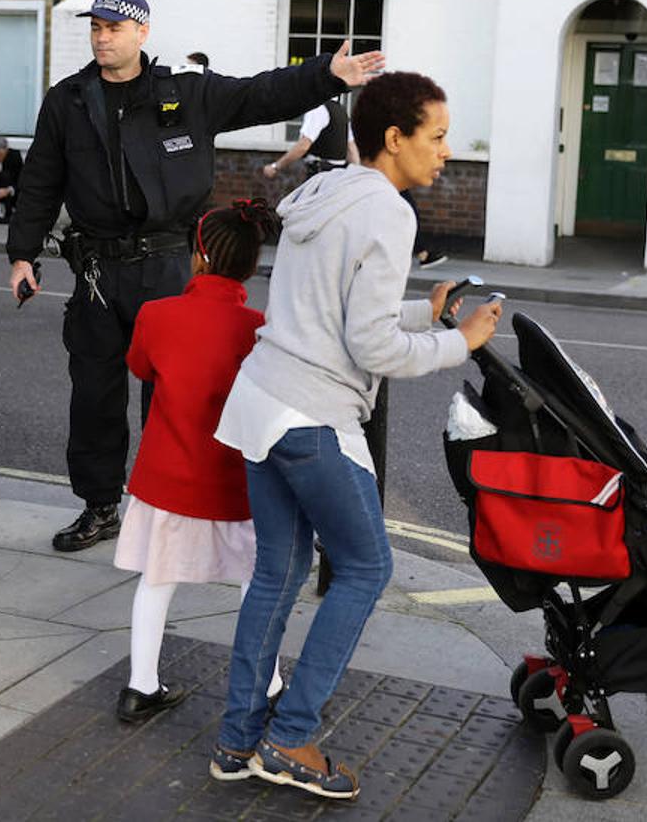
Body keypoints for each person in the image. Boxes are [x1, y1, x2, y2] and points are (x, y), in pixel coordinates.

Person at [6, 0, 384, 553]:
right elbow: (40, 180)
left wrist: (324, 75)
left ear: (142, 33)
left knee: (174, 396)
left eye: (113, 27)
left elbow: (261, 94)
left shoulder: (185, 94)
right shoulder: (69, 100)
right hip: (97, 273)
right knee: (93, 395)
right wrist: (22, 254)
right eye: (96, 28)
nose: (102, 36)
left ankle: (171, 507)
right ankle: (100, 505)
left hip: (166, 267)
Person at [209, 72, 501, 798]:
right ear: (394, 139)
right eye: (435, 137)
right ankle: (290, 736)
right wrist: (459, 344)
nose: (445, 151)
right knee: (367, 569)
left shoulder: (323, 193)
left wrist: (423, 312)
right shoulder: (389, 215)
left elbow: (330, 309)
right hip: (312, 416)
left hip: (262, 400)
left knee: (276, 574)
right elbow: (371, 351)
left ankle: (237, 741)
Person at [114, 199, 286, 724]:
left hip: (167, 477)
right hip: (235, 481)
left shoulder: (156, 315)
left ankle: (140, 687)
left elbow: (141, 367)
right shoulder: (258, 327)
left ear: (198, 256)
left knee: (156, 580)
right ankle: (270, 683)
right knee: (255, 585)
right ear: (252, 266)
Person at [261, 99, 359, 180]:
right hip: (338, 176)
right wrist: (357, 175)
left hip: (320, 175)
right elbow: (351, 148)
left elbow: (303, 146)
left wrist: (276, 166)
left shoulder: (318, 109)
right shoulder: (341, 111)